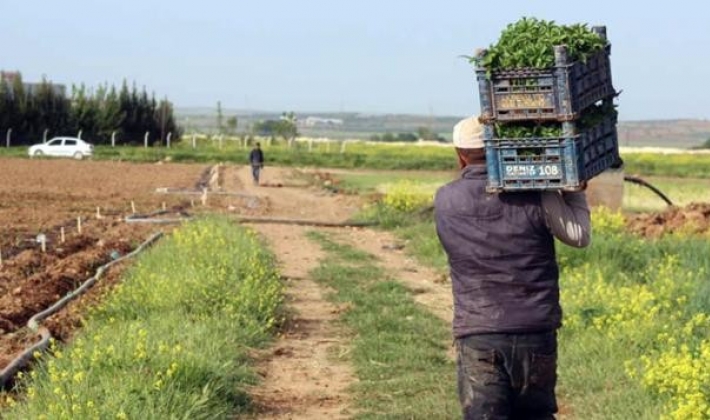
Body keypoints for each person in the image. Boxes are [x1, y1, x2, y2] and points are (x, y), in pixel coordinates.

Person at [434, 116, 591, 419]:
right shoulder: (536, 191)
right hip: (535, 328)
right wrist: (573, 189)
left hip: (479, 330)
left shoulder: (445, 200)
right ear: (499, 148)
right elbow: (579, 236)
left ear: (459, 155)